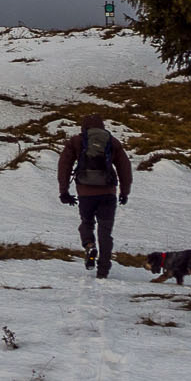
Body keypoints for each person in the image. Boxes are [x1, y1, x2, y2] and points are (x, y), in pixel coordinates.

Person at [56, 114, 131, 278]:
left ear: (84, 127)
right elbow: (125, 168)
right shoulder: (112, 142)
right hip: (108, 193)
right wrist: (124, 192)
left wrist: (64, 191)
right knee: (105, 232)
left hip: (85, 193)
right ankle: (103, 271)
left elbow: (64, 165)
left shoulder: (77, 141)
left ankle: (89, 245)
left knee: (87, 223)